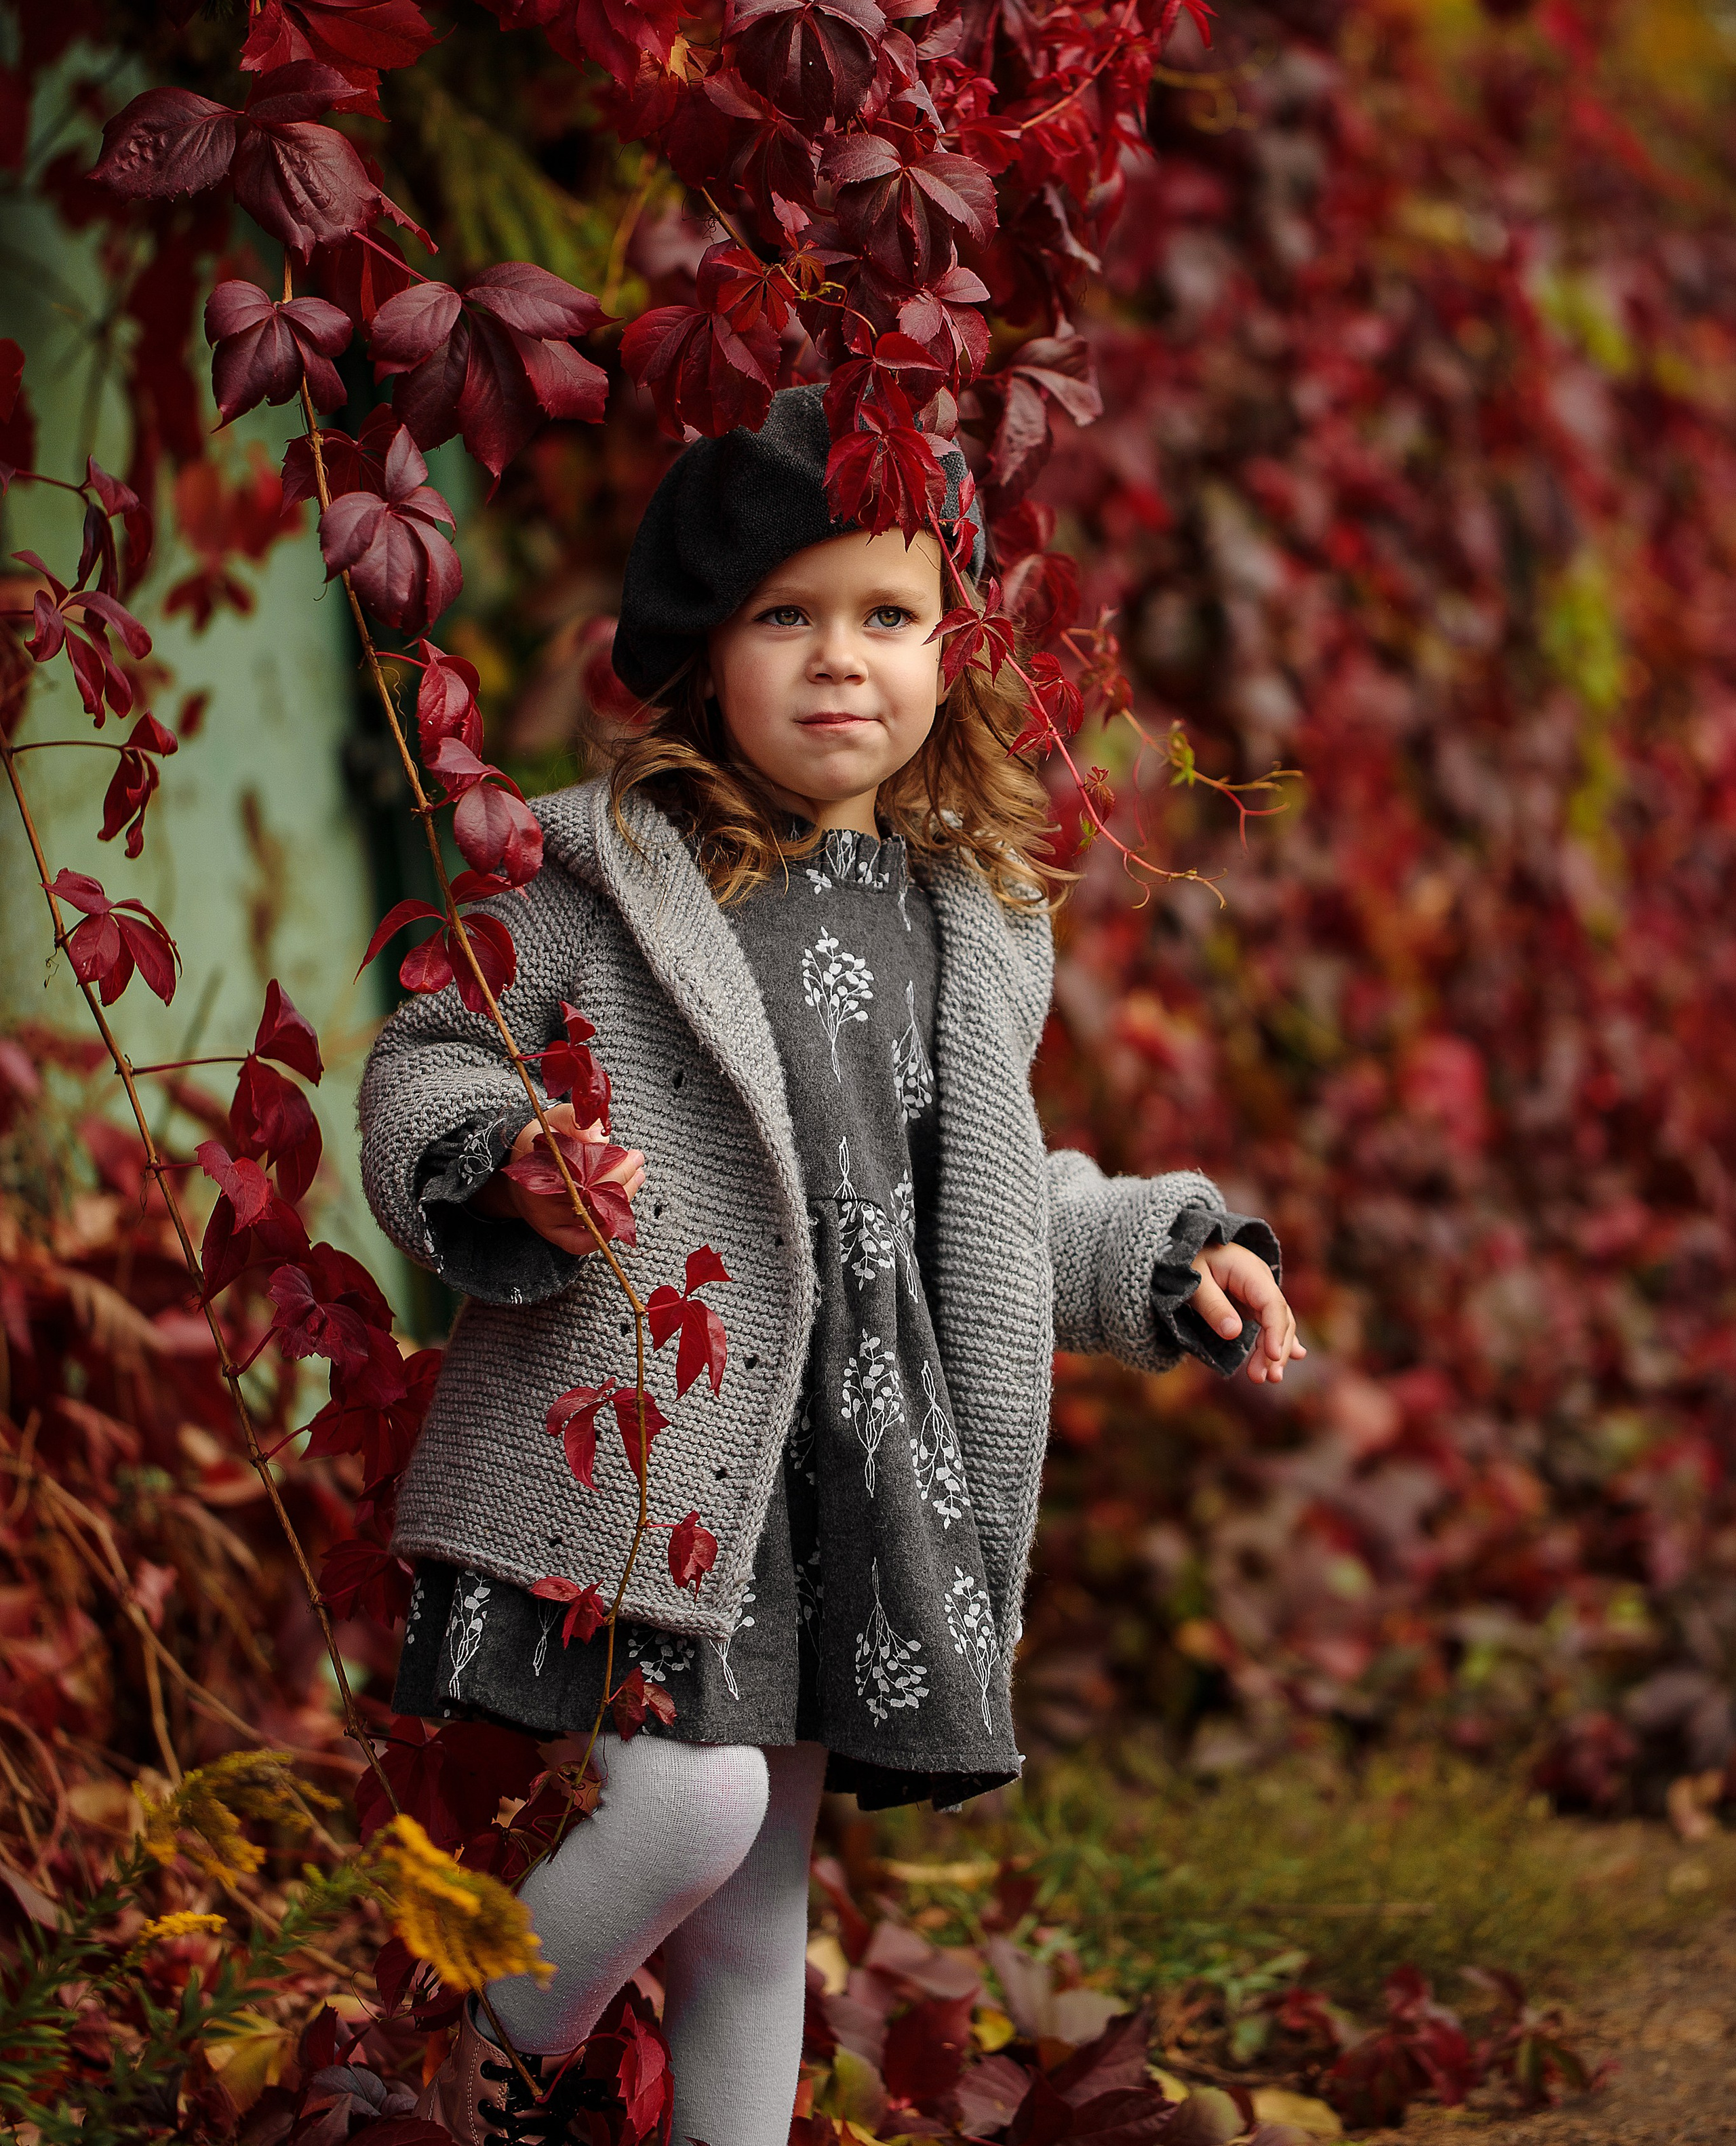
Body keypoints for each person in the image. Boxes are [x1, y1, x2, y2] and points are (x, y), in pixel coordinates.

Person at [357, 385, 1302, 2146]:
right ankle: (457, 2063)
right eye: (785, 616)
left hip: (853, 1463)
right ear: (703, 649)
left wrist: (1171, 1258)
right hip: (656, 1446)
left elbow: (992, 1202)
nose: (840, 660)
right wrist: (508, 1157)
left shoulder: (971, 916)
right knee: (690, 1807)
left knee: (757, 1903)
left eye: (888, 615)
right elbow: (434, 1057)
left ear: (951, 648)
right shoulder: (598, 876)